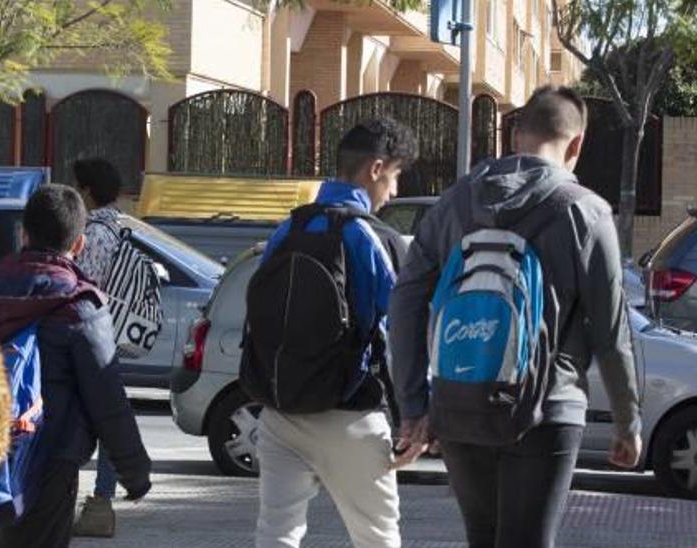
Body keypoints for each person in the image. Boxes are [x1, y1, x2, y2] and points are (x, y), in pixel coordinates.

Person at [389, 86, 643, 548]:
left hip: (461, 401)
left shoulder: (454, 203)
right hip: (548, 407)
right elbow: (611, 333)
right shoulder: (587, 211)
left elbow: (405, 302)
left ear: (515, 136)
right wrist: (628, 423)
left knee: (482, 539)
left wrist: (413, 406)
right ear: (577, 144)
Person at [249, 117, 414, 548]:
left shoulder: (288, 229)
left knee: (276, 534)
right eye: (395, 176)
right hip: (351, 415)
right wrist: (417, 413)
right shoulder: (374, 236)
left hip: (280, 410)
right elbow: (401, 332)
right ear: (376, 169)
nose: (393, 191)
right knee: (376, 538)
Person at [0, 185, 152, 548]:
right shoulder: (80, 306)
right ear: (79, 244)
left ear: (23, 234)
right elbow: (108, 397)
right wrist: (134, 471)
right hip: (52, 461)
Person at [71, 157, 127, 538]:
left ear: (87, 191)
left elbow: (81, 286)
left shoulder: (93, 233)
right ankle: (102, 499)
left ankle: (88, 500)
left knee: (71, 417)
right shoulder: (122, 228)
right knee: (107, 418)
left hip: (87, 335)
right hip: (113, 336)